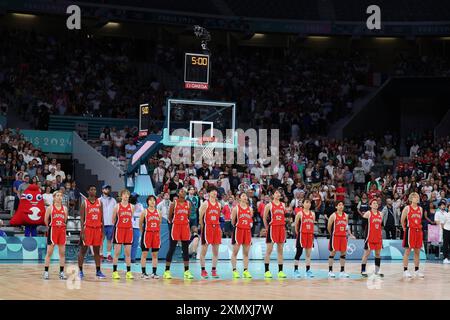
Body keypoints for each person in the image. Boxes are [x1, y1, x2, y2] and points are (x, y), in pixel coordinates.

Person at [163, 188, 194, 279]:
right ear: (178, 193)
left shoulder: (188, 204)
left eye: (184, 191)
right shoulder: (174, 203)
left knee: (185, 249)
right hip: (176, 226)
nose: (183, 192)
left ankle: (186, 271)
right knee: (171, 249)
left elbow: (188, 216)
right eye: (181, 191)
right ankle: (167, 271)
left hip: (185, 227)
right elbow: (169, 217)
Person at [77, 185, 106, 279]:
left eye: (94, 189)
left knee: (97, 252)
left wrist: (103, 231)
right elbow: (82, 219)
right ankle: (80, 271)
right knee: (83, 251)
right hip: (88, 229)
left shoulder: (100, 202)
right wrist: (82, 231)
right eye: (91, 189)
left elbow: (102, 218)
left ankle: (98, 271)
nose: (94, 191)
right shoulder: (84, 203)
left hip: (97, 229)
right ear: (88, 191)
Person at [43, 191, 68, 280]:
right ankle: (46, 272)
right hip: (53, 230)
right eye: (57, 195)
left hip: (61, 231)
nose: (59, 197)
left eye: (61, 195)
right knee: (49, 252)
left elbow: (65, 220)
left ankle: (61, 272)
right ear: (54, 197)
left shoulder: (64, 208)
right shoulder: (50, 208)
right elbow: (45, 220)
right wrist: (50, 227)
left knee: (62, 253)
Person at [263, 189, 287, 279]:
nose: (278, 194)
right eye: (276, 193)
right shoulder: (269, 205)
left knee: (280, 250)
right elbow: (264, 218)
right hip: (272, 228)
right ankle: (266, 271)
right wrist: (266, 228)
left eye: (279, 193)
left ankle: (280, 271)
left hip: (281, 228)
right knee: (269, 250)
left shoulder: (283, 205)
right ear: (273, 195)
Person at [327, 201, 355, 278]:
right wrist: (332, 234)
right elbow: (329, 226)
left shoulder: (346, 215)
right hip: (335, 236)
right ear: (336, 207)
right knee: (333, 253)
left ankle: (342, 271)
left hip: (343, 237)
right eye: (339, 205)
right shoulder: (333, 215)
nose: (341, 206)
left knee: (343, 254)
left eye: (342, 205)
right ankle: (330, 271)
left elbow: (347, 226)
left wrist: (350, 234)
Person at [199, 186, 222, 278]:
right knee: (204, 250)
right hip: (207, 227)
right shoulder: (205, 204)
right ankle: (203, 270)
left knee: (216, 251)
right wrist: (202, 227)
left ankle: (213, 270)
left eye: (215, 191)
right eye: (212, 191)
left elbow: (218, 217)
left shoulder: (219, 205)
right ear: (209, 193)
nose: (214, 192)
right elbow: (200, 217)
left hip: (216, 227)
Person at [112, 189, 134, 280]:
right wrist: (117, 227)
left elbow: (131, 218)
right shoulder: (117, 206)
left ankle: (128, 272)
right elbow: (113, 219)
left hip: (128, 230)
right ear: (121, 196)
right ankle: (115, 272)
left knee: (128, 253)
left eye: (127, 194)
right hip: (119, 230)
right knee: (117, 252)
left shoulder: (132, 206)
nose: (126, 196)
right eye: (124, 194)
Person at [401, 192, 424, 278]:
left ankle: (417, 270)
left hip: (418, 231)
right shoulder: (407, 208)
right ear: (411, 199)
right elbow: (402, 219)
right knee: (407, 251)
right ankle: (405, 270)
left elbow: (419, 220)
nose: (417, 198)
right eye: (415, 197)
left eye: (418, 197)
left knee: (417, 252)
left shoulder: (420, 209)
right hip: (410, 231)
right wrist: (404, 228)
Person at [230, 192, 253, 279]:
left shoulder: (250, 209)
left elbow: (250, 220)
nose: (245, 197)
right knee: (235, 252)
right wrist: (238, 226)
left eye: (245, 196)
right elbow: (232, 221)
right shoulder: (236, 208)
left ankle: (246, 271)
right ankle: (234, 271)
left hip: (247, 231)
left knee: (246, 253)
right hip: (238, 230)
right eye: (243, 196)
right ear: (239, 198)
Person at [139, 195, 162, 279]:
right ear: (147, 202)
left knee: (155, 255)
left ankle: (154, 273)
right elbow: (140, 224)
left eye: (153, 200)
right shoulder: (144, 212)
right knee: (144, 254)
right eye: (150, 200)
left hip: (155, 234)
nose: (152, 202)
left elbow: (159, 223)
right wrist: (143, 232)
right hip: (147, 234)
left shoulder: (158, 212)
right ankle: (143, 273)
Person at [360, 199, 384, 278]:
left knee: (378, 254)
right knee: (366, 254)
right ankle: (363, 270)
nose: (376, 204)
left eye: (376, 203)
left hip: (378, 237)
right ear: (370, 205)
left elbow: (381, 225)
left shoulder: (381, 214)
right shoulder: (368, 213)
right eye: (374, 203)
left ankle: (377, 270)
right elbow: (363, 226)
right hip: (370, 237)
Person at [293, 199, 315, 278]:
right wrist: (298, 234)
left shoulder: (313, 214)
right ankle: (295, 270)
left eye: (309, 202)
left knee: (308, 254)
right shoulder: (299, 214)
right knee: (299, 253)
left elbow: (312, 225)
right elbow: (296, 226)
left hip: (310, 235)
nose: (308, 204)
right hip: (302, 234)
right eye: (307, 202)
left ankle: (308, 270)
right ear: (303, 204)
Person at [100, 184, 117, 262]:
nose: (107, 190)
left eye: (108, 189)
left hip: (111, 223)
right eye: (106, 189)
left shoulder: (113, 200)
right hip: (102, 224)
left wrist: (114, 221)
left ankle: (109, 255)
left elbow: (116, 211)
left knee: (109, 240)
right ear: (102, 190)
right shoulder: (99, 200)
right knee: (101, 240)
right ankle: (100, 254)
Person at [130, 192, 144, 263]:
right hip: (128, 226)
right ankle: (127, 257)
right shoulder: (128, 205)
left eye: (136, 197)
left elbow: (142, 213)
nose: (136, 198)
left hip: (136, 226)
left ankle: (133, 258)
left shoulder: (140, 205)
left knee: (135, 243)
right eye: (134, 197)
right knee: (128, 243)